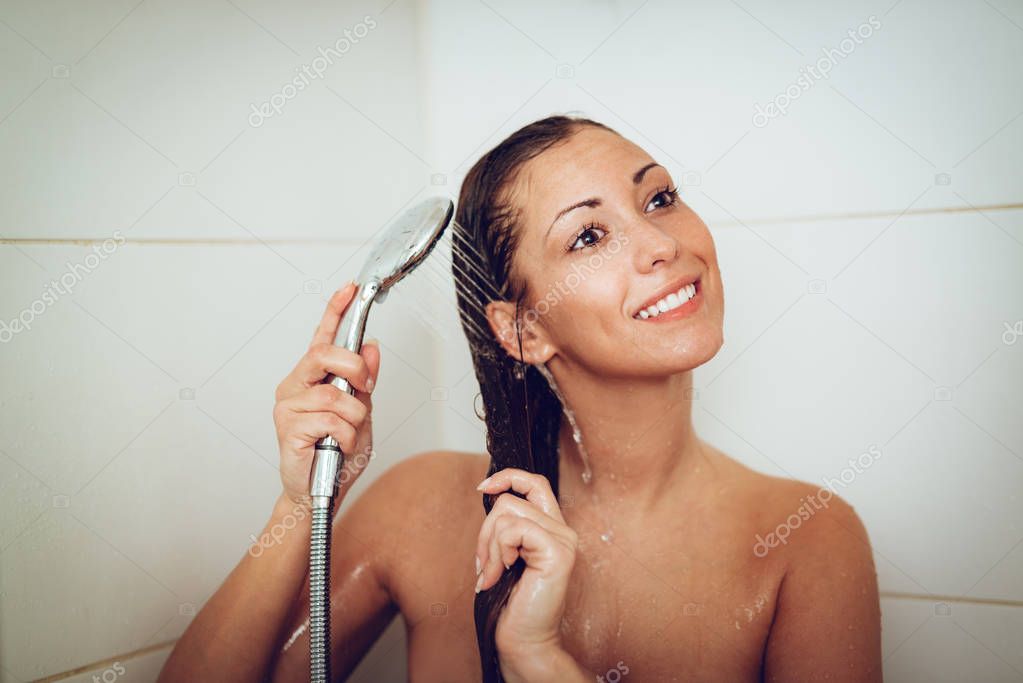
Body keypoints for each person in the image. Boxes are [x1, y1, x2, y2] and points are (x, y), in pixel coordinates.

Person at [159, 115, 882, 682]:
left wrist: (540, 659)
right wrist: (299, 505)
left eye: (657, 197)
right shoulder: (416, 509)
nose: (660, 243)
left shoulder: (806, 540)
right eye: (589, 234)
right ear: (522, 327)